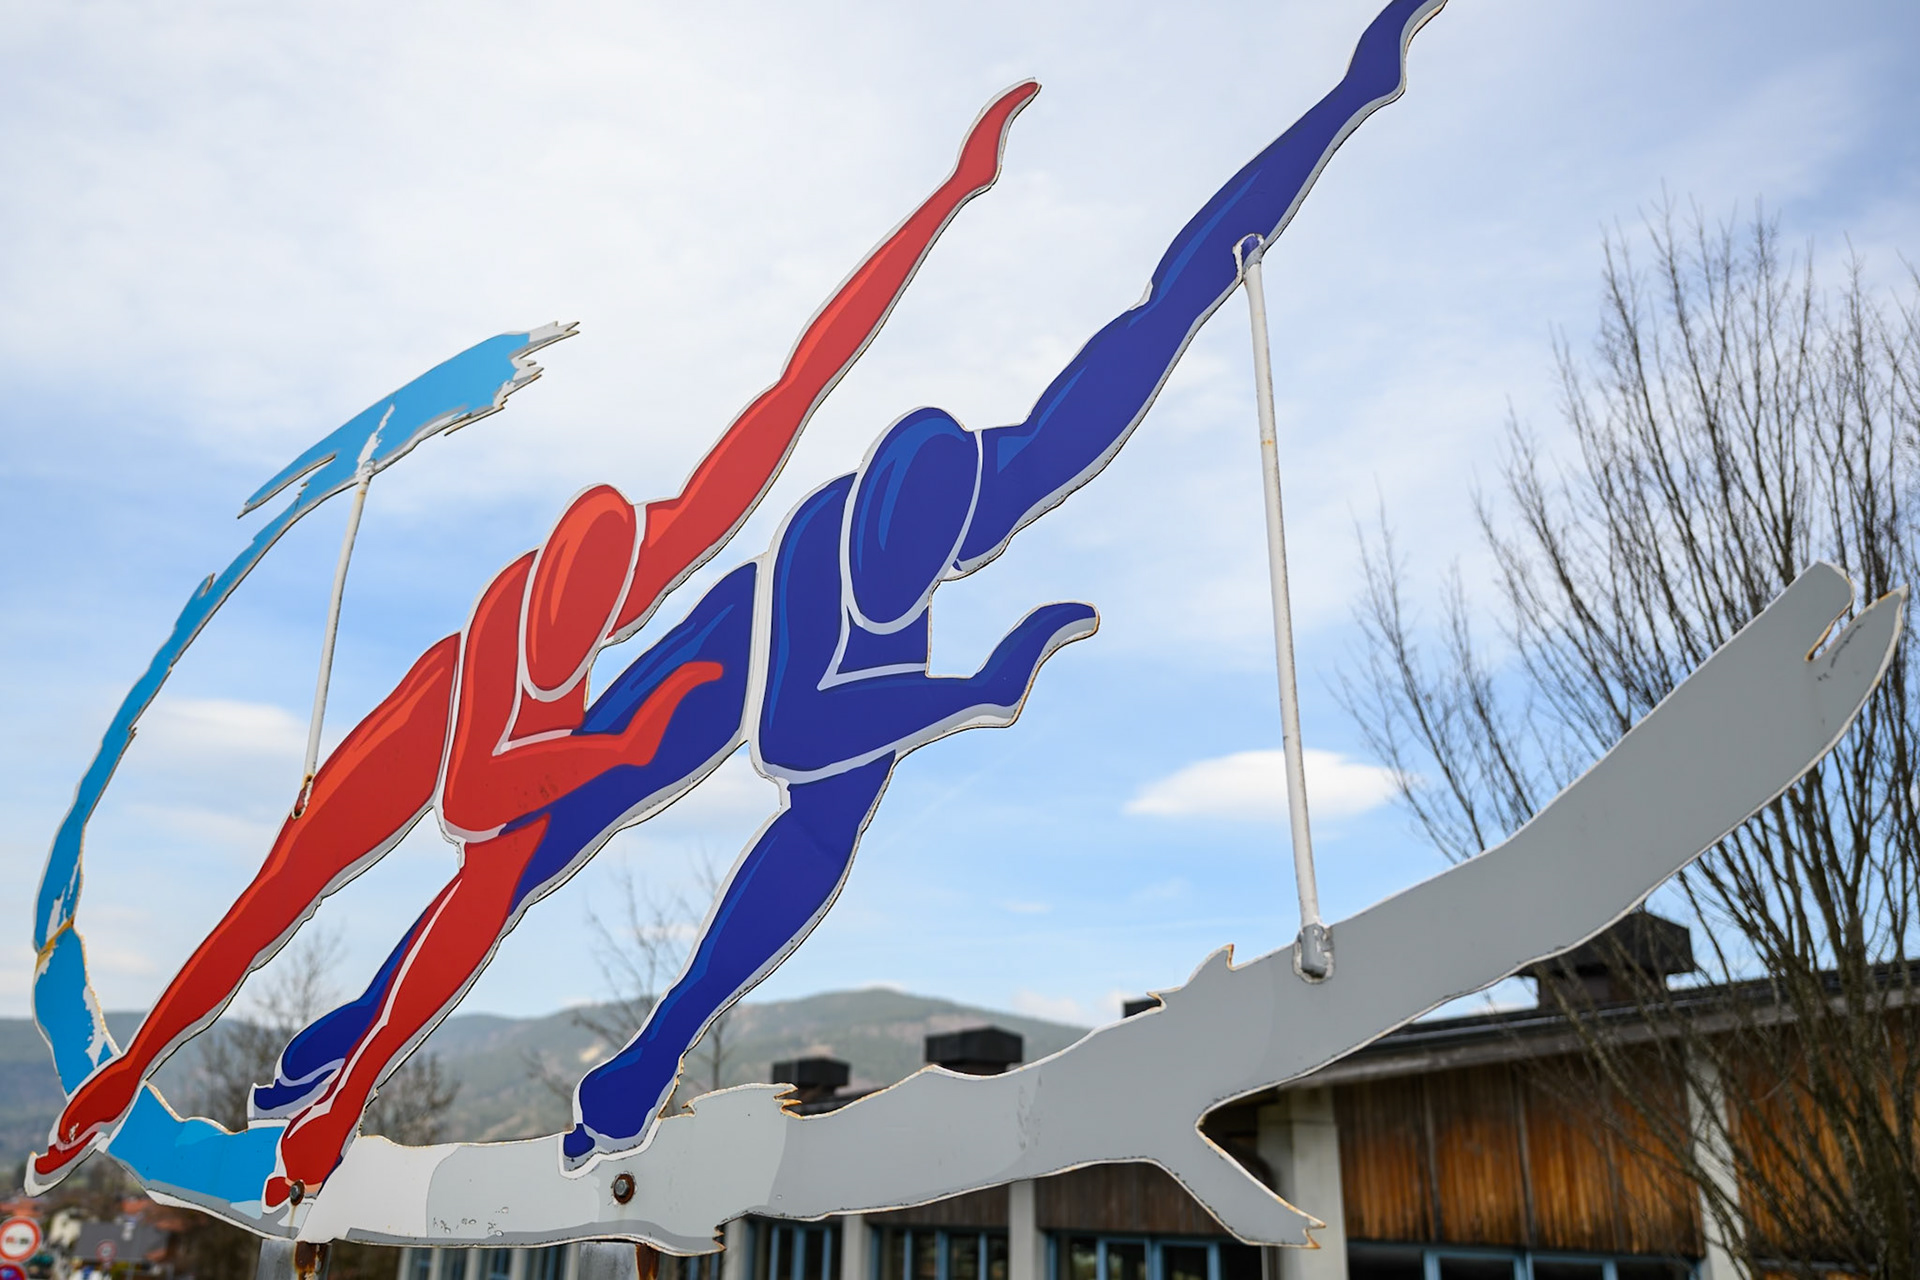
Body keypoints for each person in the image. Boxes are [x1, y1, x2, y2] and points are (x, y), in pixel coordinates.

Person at [30, 78, 1043, 1194]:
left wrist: (948, 196)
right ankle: (134, 1073)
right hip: (456, 719)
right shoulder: (508, 634)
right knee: (290, 881)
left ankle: (341, 1102)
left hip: (536, 740)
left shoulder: (664, 543)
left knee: (492, 882)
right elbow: (470, 796)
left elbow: (805, 378)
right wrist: (619, 744)